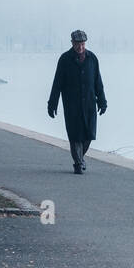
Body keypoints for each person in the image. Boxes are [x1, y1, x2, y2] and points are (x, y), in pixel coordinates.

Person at [47, 29, 106, 174]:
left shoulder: (92, 59)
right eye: (77, 44)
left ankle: (80, 159)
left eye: (83, 44)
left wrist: (102, 101)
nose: (80, 47)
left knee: (88, 135)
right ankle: (78, 163)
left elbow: (98, 81)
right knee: (75, 136)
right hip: (72, 104)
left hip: (90, 104)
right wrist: (52, 103)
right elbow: (57, 83)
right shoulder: (65, 59)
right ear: (72, 43)